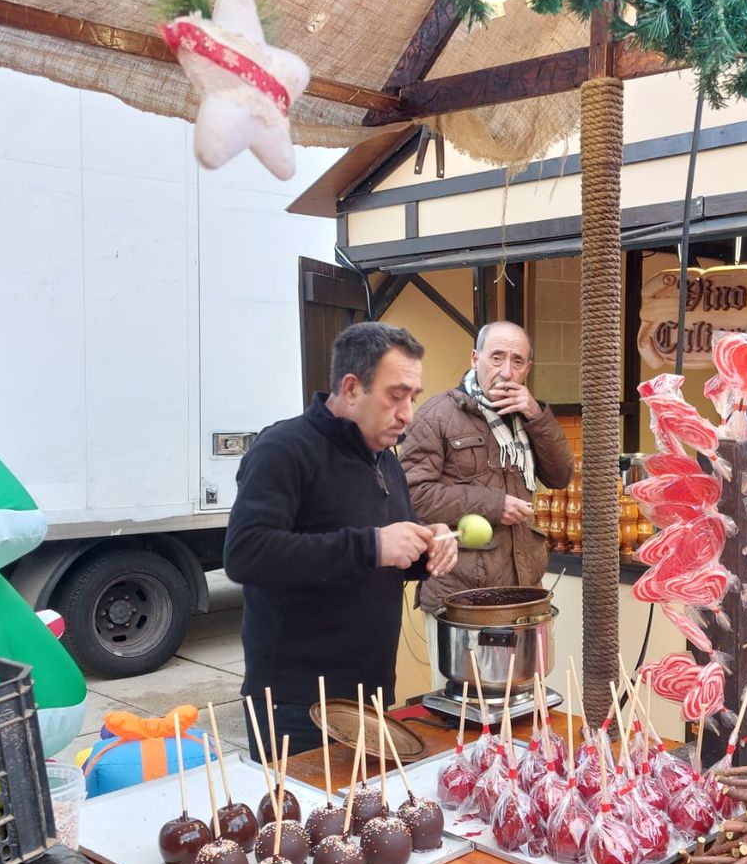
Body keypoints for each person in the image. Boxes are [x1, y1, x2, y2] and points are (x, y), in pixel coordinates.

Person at [223, 322, 457, 760]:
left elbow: (385, 546)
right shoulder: (284, 449)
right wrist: (373, 546)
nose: (408, 413)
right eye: (396, 395)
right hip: (297, 703)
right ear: (351, 388)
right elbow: (246, 553)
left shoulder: (383, 458)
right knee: (298, 827)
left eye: (413, 397)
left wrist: (426, 547)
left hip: (370, 693)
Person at [402, 321, 574, 619]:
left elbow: (560, 475)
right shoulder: (437, 416)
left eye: (517, 361)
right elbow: (413, 494)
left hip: (523, 591)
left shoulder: (527, 416)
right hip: (459, 598)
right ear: (474, 359)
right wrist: (494, 505)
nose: (507, 371)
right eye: (497, 357)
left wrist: (536, 415)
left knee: (526, 670)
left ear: (527, 368)